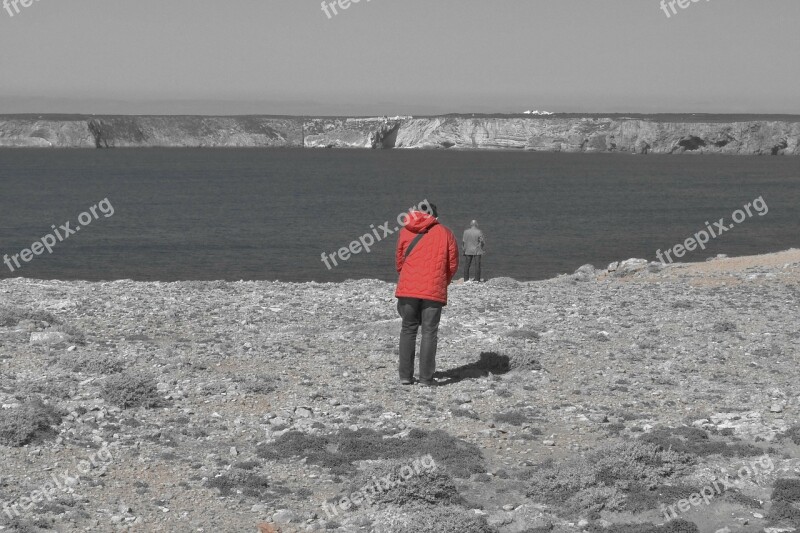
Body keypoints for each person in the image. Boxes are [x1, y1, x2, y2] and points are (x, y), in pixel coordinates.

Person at [395, 203, 459, 387]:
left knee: (408, 329)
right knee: (429, 332)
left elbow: (399, 260)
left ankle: (405, 376)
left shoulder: (406, 231)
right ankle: (425, 379)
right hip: (433, 288)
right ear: (435, 216)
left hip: (408, 288)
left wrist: (407, 276)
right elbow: (452, 264)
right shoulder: (445, 233)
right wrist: (442, 281)